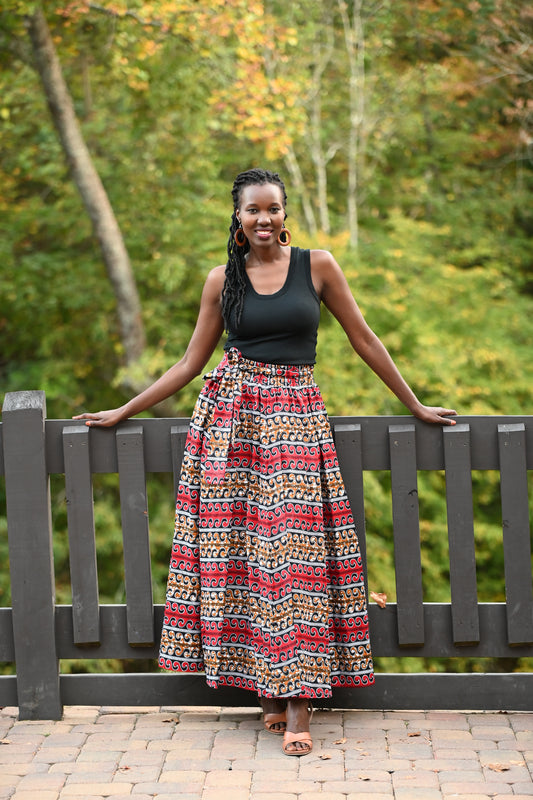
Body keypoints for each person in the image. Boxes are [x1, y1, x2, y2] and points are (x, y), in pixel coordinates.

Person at [74, 167, 456, 756]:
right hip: (230, 422)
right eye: (252, 209)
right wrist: (122, 410)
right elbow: (188, 364)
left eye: (272, 208)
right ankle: (268, 693)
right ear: (238, 216)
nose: (263, 218)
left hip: (297, 418)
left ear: (285, 212)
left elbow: (365, 339)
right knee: (240, 555)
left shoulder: (318, 265)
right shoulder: (220, 279)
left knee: (296, 555)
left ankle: (300, 703)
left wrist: (413, 403)